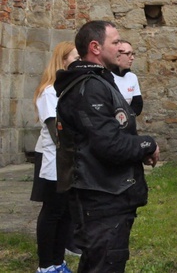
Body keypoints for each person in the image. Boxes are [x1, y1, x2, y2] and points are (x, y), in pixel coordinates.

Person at [55, 21, 159, 273]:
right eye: (115, 42)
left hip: (108, 193)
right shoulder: (89, 87)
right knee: (104, 264)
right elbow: (110, 145)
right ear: (95, 47)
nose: (121, 48)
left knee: (98, 263)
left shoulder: (99, 81)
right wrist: (148, 144)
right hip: (100, 196)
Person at [30, 41, 79, 273]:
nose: (79, 62)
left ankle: (58, 261)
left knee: (65, 212)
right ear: (63, 60)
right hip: (52, 157)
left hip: (66, 157)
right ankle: (46, 265)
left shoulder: (65, 90)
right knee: (52, 211)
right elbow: (55, 129)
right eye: (75, 58)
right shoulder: (50, 91)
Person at [113, 40, 144, 115]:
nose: (132, 58)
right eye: (128, 54)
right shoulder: (105, 77)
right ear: (117, 55)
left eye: (132, 54)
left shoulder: (132, 77)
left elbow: (137, 104)